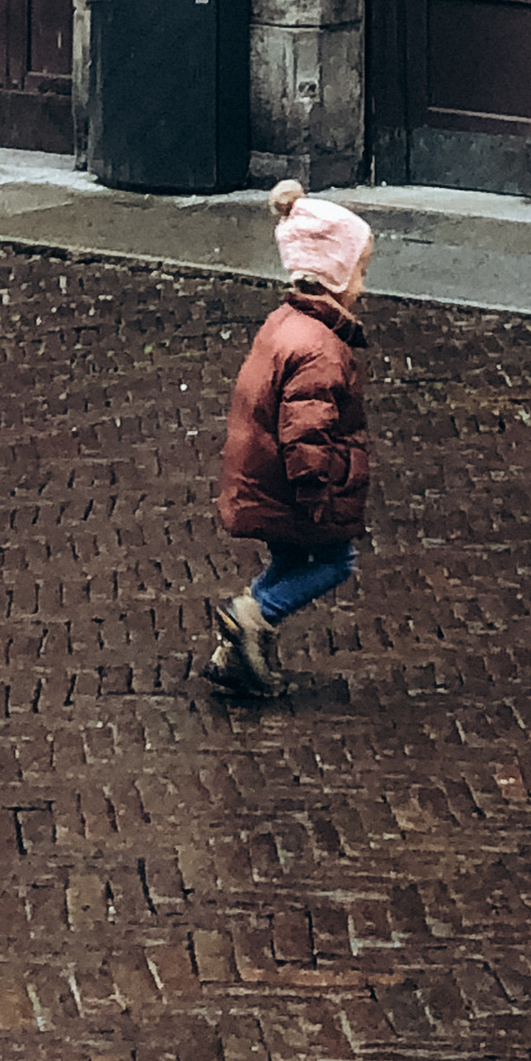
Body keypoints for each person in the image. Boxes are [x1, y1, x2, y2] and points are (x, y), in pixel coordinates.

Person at [205, 179, 374, 701]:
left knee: (289, 564)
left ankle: (234, 652)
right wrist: (317, 495)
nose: (363, 285)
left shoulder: (285, 322)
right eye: (360, 272)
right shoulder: (320, 349)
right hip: (293, 489)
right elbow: (306, 432)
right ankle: (250, 617)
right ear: (335, 275)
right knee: (334, 562)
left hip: (266, 479)